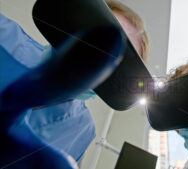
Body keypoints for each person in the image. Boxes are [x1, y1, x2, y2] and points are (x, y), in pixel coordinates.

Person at [0, 0, 149, 161]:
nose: (98, 59)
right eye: (98, 41)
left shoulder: (83, 130)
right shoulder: (4, 34)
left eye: (117, 64)